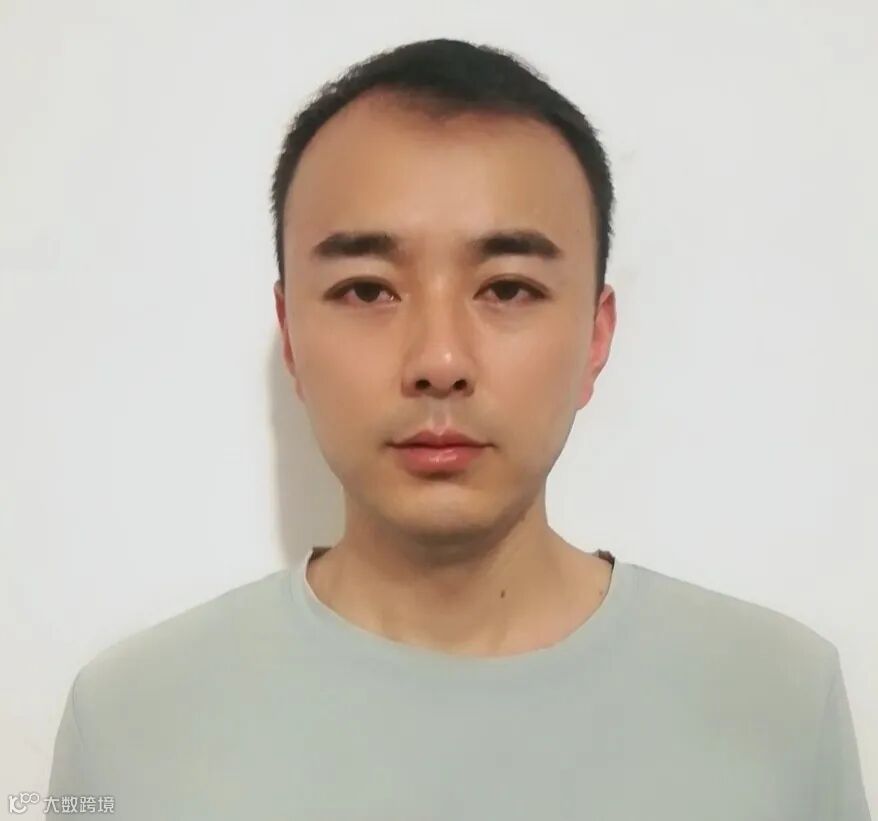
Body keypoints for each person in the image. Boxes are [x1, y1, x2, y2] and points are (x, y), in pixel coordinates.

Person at [47, 37, 871, 820]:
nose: (439, 359)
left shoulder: (778, 701)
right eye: (367, 290)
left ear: (595, 337)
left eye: (507, 288)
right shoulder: (130, 724)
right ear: (290, 336)